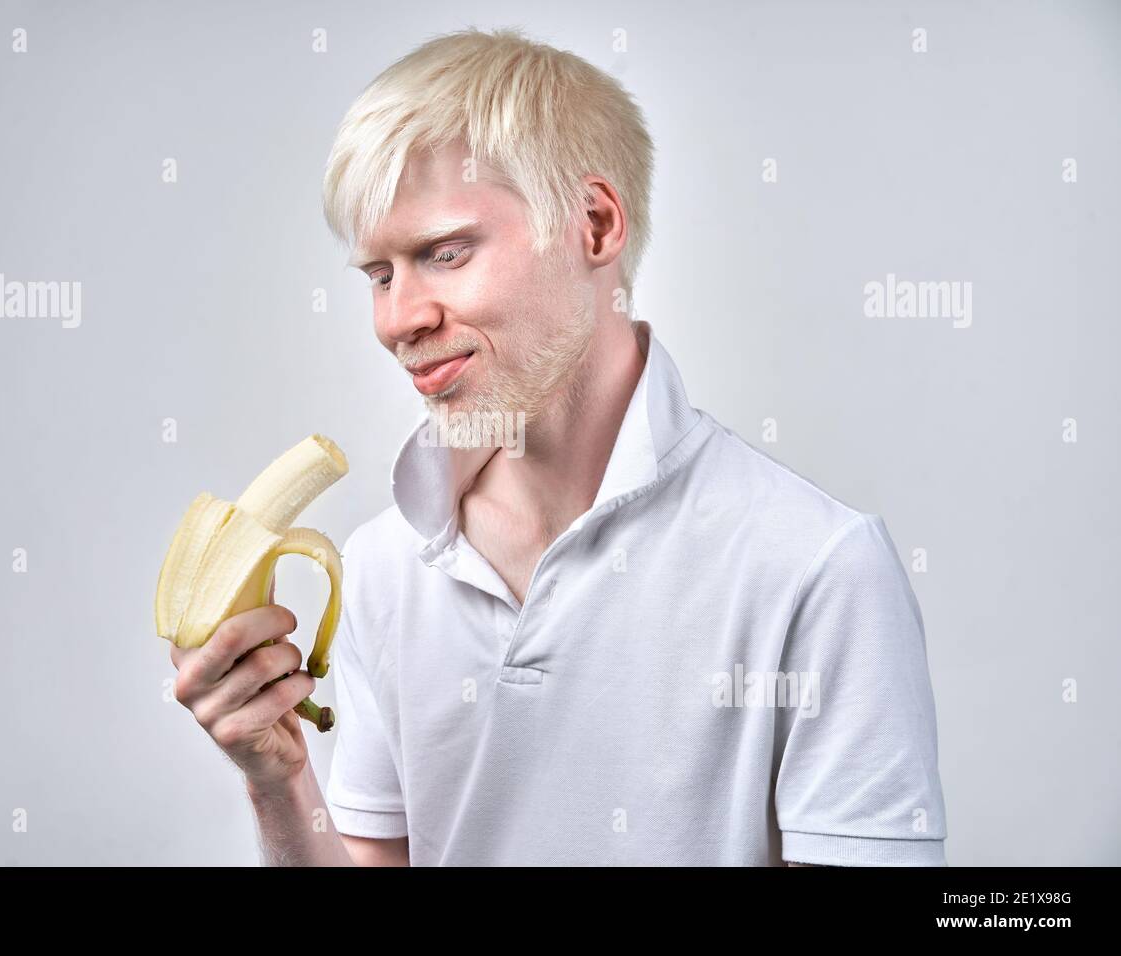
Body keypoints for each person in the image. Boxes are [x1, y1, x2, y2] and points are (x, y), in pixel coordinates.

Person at [169, 26, 947, 867]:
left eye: (445, 253)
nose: (399, 320)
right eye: (380, 275)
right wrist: (278, 782)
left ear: (596, 225)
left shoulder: (816, 567)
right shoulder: (382, 567)